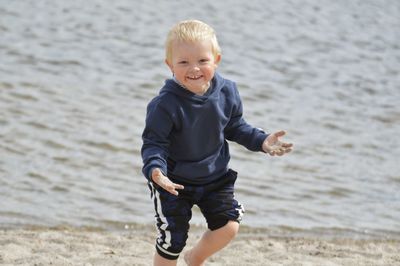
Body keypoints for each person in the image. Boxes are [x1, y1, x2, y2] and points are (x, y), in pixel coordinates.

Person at [141, 19, 293, 266]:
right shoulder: (165, 105)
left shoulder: (227, 92)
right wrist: (156, 171)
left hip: (214, 177)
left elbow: (235, 127)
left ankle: (195, 259)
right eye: (183, 62)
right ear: (170, 65)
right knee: (173, 240)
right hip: (173, 181)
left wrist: (262, 141)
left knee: (229, 226)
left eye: (202, 60)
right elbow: (153, 144)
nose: (194, 69)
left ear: (216, 60)